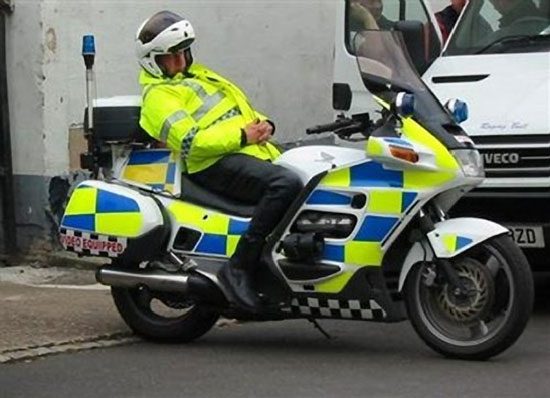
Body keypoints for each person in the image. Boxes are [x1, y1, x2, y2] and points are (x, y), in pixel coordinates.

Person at [135, 10, 303, 312]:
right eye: (170, 58)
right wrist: (243, 136)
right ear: (152, 61)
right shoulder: (158, 97)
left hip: (243, 152)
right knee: (285, 183)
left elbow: (238, 110)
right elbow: (191, 142)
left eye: (182, 54)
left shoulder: (201, 76)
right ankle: (239, 266)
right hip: (209, 164)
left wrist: (265, 125)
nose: (179, 62)